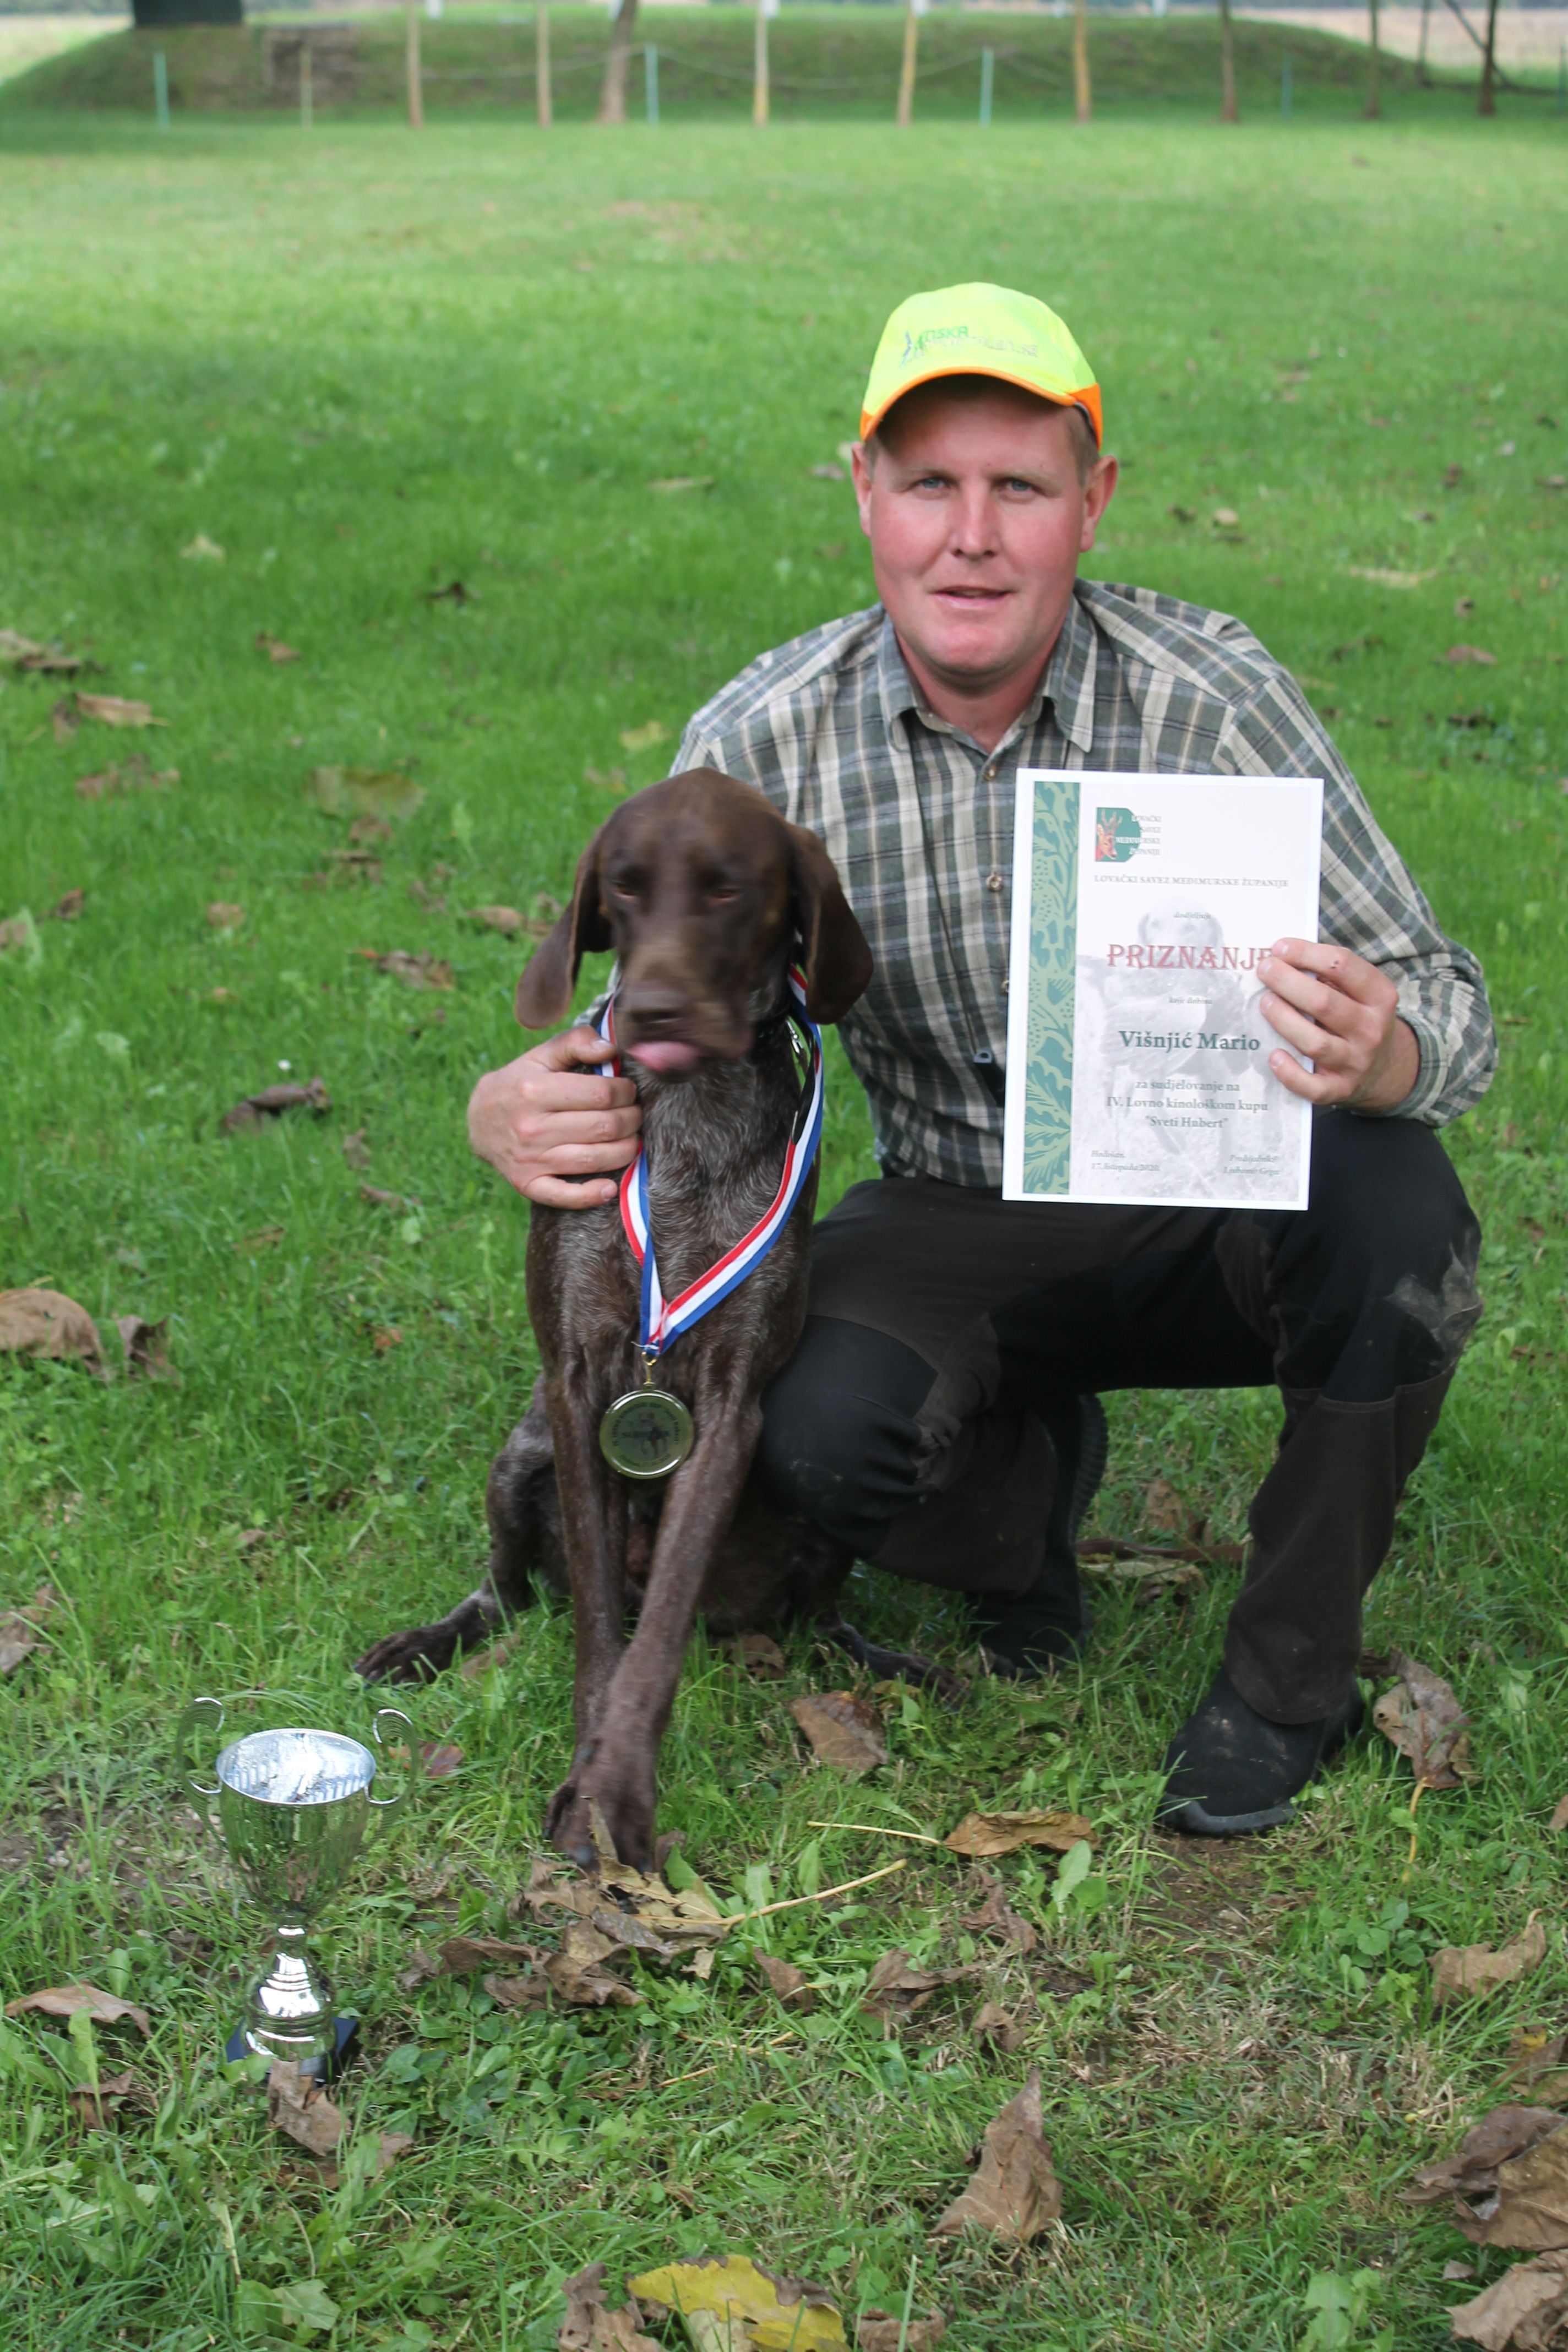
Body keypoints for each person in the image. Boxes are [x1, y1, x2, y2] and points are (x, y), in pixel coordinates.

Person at [467, 284, 1491, 1837]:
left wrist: (1387, 1042)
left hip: (1214, 1190)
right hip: (956, 1209)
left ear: (1094, 502)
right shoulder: (764, 739)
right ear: (863, 493)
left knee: (1401, 1218)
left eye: (1020, 487)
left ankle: (1289, 1682)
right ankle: (1021, 1520)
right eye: (931, 483)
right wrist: (519, 1092)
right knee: (808, 1435)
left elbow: (1450, 1003)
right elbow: (666, 988)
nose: (973, 535)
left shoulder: (1209, 701)